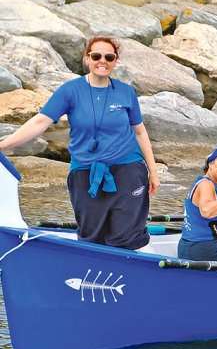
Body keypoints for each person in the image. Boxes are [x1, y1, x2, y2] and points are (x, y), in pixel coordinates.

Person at [0, 36, 160, 250]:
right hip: (85, 170)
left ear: (115, 61)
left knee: (126, 235)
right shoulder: (70, 91)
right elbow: (40, 122)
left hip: (128, 168)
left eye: (108, 57)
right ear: (87, 58)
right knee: (91, 234)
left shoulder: (125, 92)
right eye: (96, 56)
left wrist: (153, 171)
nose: (102, 61)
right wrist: (4, 145)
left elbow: (140, 132)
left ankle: (131, 275)